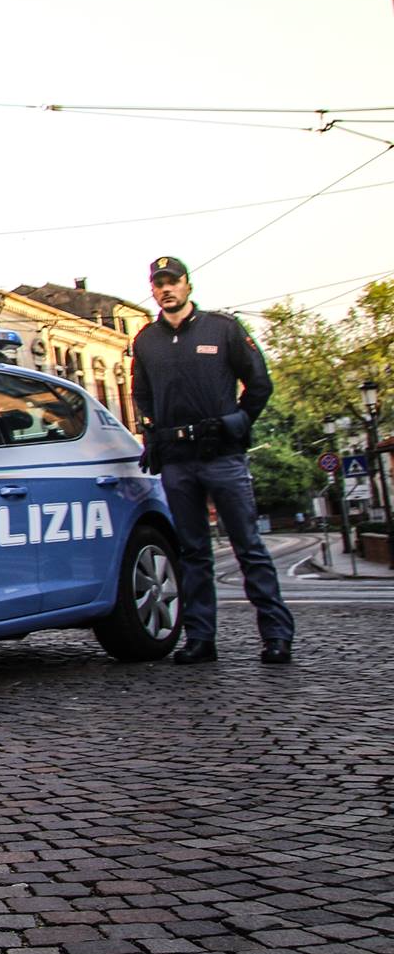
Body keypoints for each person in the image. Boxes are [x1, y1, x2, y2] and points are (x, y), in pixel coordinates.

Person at [130, 255, 295, 665]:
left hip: (222, 454)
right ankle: (200, 638)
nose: (166, 289)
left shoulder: (222, 329)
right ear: (153, 290)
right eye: (159, 283)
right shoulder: (145, 340)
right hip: (177, 460)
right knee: (192, 553)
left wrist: (239, 422)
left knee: (249, 548)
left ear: (188, 286)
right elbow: (141, 392)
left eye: (173, 282)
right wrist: (151, 430)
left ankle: (276, 635)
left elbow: (259, 383)